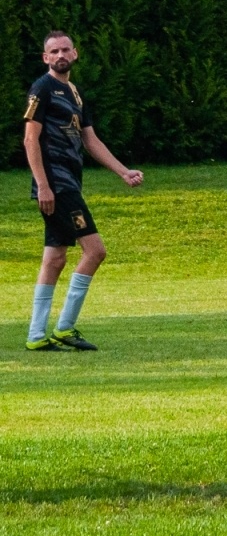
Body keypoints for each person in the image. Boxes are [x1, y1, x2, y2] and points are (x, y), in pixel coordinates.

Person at [23, 31, 144, 352]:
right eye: (53, 51)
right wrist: (44, 185)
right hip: (57, 186)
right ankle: (64, 327)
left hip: (68, 184)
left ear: (75, 54)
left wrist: (123, 171)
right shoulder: (42, 89)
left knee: (55, 258)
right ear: (45, 58)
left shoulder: (75, 93)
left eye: (65, 49)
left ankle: (37, 335)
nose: (60, 54)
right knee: (95, 251)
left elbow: (91, 141)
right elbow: (29, 139)